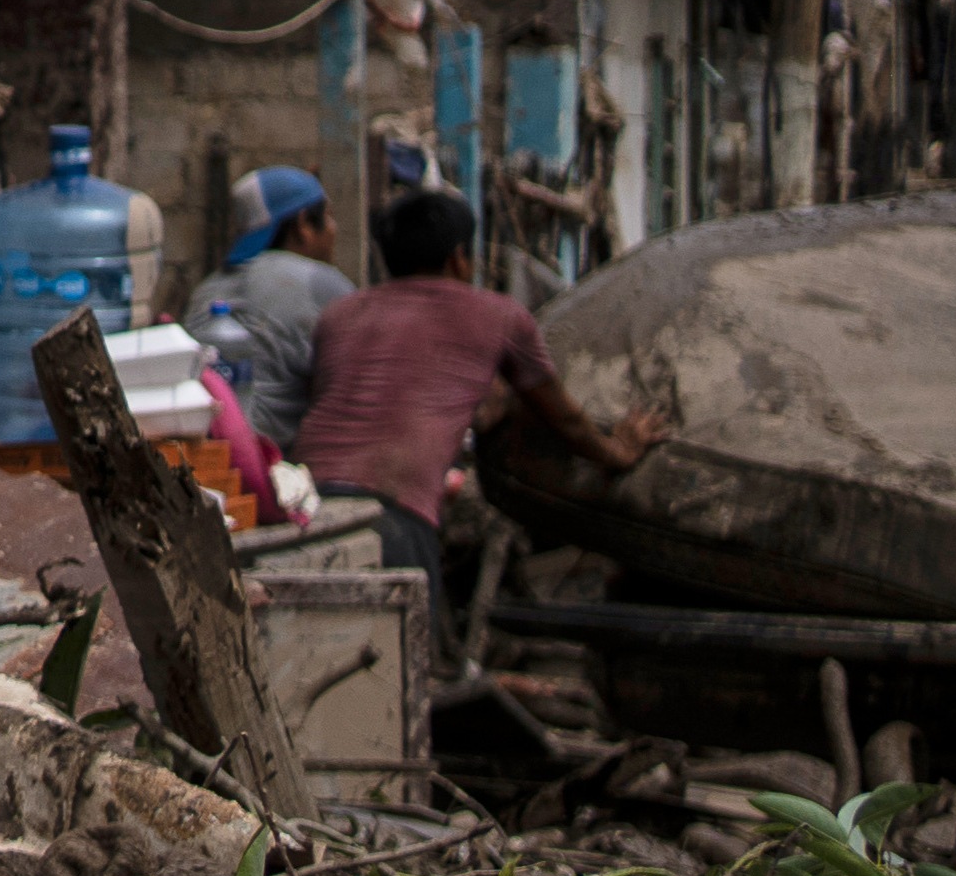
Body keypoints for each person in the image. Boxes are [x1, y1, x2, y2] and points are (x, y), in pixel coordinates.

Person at [291, 182, 657, 583]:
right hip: (395, 512)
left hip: (305, 505)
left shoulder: (340, 315)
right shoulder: (498, 315)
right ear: (459, 258)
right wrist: (618, 450)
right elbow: (564, 418)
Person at [196, 162, 351, 432]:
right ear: (303, 224)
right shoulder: (324, 282)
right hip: (282, 463)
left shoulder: (205, 291)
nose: (333, 230)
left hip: (207, 456)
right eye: (329, 217)